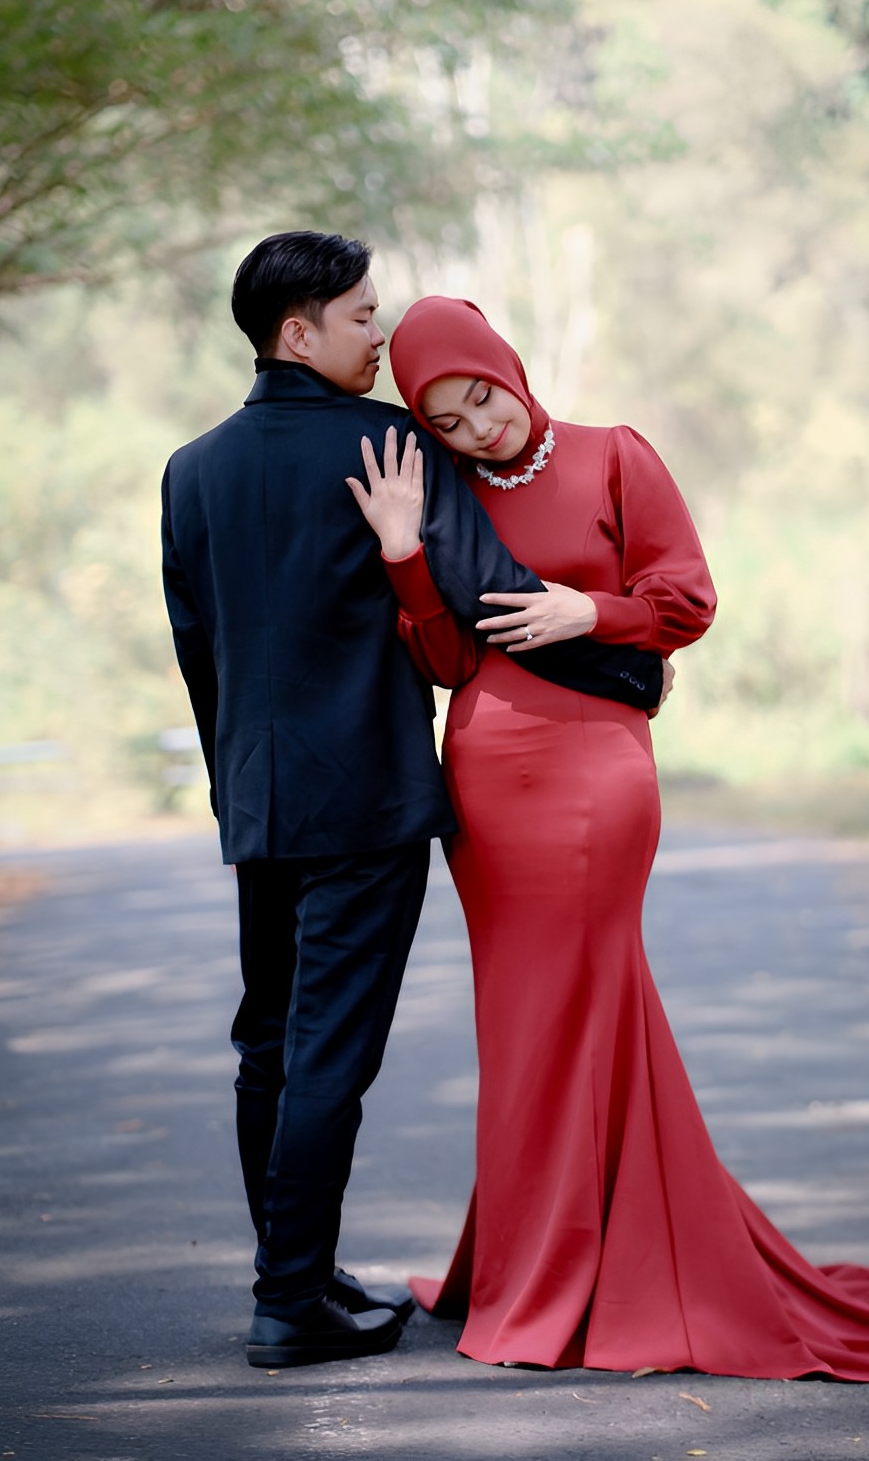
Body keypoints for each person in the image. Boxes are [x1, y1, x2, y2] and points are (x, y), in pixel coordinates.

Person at [353, 291, 869, 1380]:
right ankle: (536, 1262)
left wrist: (588, 611)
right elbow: (444, 660)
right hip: (486, 776)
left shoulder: (615, 456)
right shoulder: (449, 495)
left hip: (597, 771)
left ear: (507, 367)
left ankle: (585, 1268)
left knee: (589, 999)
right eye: (449, 422)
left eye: (483, 398)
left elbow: (688, 600)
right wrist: (403, 555)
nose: (479, 428)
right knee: (520, 1020)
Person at [160, 233, 667, 1370]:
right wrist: (633, 669)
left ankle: (297, 1270)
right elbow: (490, 597)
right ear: (298, 333)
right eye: (359, 316)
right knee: (329, 1051)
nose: (377, 334)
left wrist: (236, 788)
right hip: (368, 801)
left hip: (260, 801)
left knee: (266, 1043)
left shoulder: (190, 471)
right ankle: (290, 1304)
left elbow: (200, 656)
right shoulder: (388, 442)